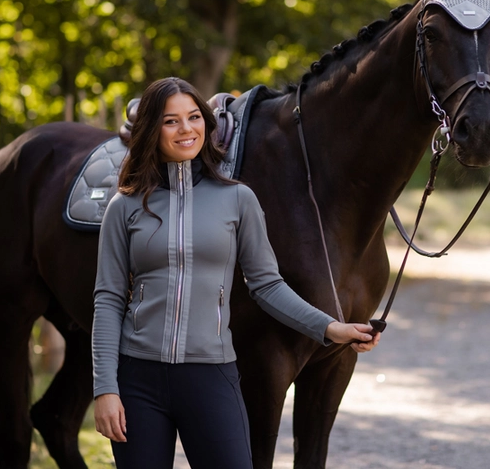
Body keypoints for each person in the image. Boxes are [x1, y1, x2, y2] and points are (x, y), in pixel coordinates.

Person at [91, 77, 380, 469]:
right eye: (171, 121)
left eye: (194, 117)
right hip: (138, 380)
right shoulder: (124, 207)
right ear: (152, 130)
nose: (186, 129)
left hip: (211, 376)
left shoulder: (237, 199)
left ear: (206, 124)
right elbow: (108, 300)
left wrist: (331, 329)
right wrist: (106, 389)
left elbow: (267, 286)